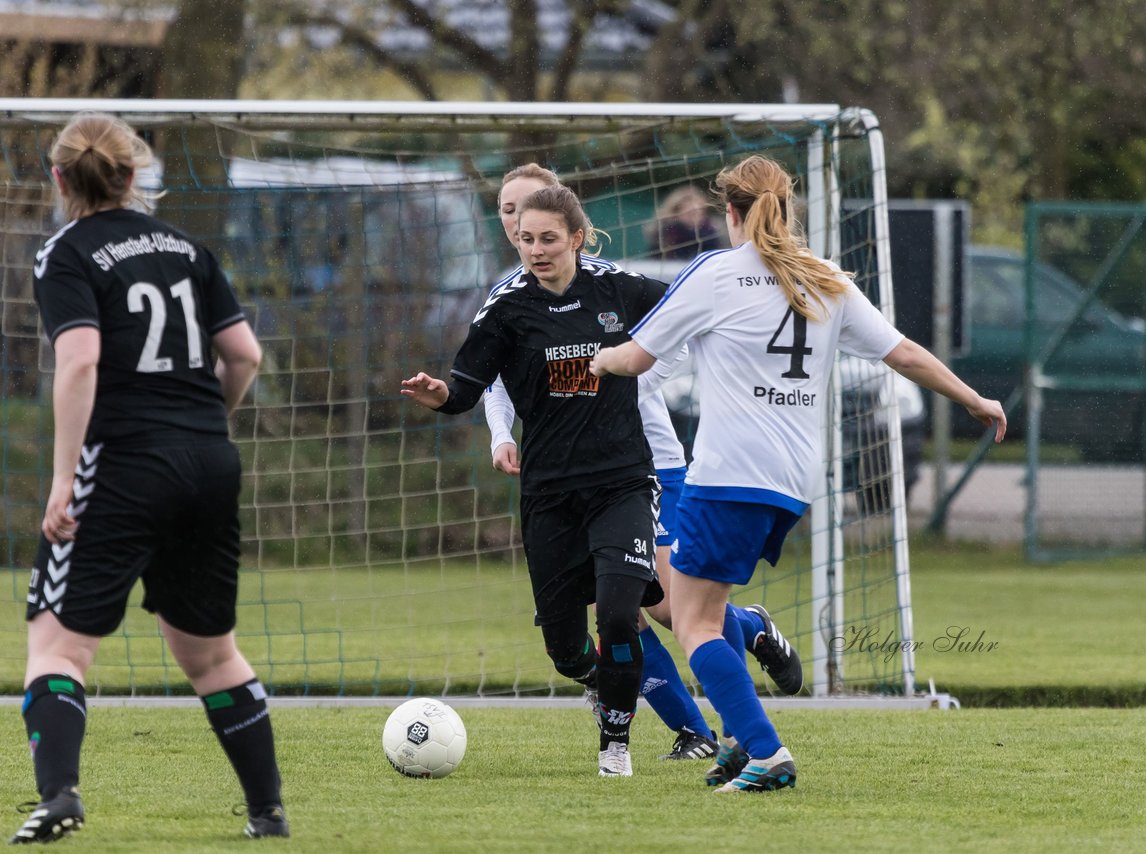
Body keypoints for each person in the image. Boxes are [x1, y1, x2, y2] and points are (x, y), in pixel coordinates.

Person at [591, 154, 1006, 793]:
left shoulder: (716, 273)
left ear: (730, 214)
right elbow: (907, 353)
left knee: (691, 621)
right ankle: (734, 740)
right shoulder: (827, 280)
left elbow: (638, 356)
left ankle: (765, 751)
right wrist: (975, 399)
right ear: (788, 210)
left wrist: (599, 362)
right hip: (791, 481)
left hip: (726, 472)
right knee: (710, 605)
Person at [11, 112, 286, 843]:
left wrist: (64, 479)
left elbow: (78, 362)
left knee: (57, 647)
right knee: (211, 654)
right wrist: (202, 424)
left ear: (60, 178)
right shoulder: (188, 248)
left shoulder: (65, 252)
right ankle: (267, 812)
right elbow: (245, 356)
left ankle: (60, 795)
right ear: (134, 176)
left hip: (127, 460)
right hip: (208, 459)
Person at [486, 165, 802, 762]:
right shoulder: (509, 295)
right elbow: (493, 375)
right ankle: (694, 731)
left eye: (531, 213)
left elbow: (675, 340)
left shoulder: (611, 284)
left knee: (662, 606)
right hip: (562, 473)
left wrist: (632, 380)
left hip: (644, 464)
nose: (519, 226)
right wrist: (502, 432)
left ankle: (740, 699)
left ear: (570, 224)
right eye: (507, 212)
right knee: (618, 613)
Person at [403, 185, 676, 778]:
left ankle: (615, 746)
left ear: (576, 238)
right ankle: (600, 683)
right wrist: (440, 397)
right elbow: (465, 390)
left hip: (622, 481)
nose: (536, 250)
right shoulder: (506, 310)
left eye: (548, 238)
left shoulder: (617, 290)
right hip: (550, 493)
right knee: (564, 648)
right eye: (526, 239)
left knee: (619, 614)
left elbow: (693, 307)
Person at [647, 185, 723, 260]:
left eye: (701, 212)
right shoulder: (664, 236)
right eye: (691, 213)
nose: (696, 218)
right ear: (676, 213)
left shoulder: (712, 235)